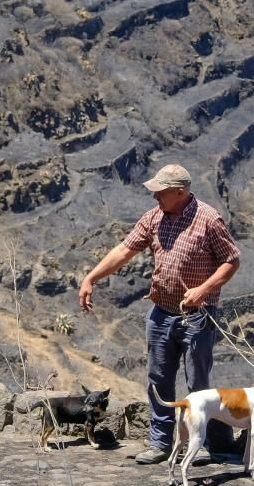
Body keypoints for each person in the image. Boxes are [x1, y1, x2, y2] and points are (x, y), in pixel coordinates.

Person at [78, 164, 240, 464]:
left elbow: (231, 261)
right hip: (161, 313)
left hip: (198, 316)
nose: (155, 198)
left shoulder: (209, 220)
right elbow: (124, 251)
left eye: (160, 193)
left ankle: (198, 443)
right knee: (158, 379)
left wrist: (203, 289)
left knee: (198, 384)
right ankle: (160, 442)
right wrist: (91, 278)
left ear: (180, 192)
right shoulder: (154, 218)